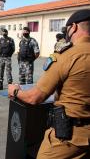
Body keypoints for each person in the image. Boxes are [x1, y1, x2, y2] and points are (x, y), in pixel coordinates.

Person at [8, 9, 90, 159]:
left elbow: (34, 98)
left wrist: (14, 91)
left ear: (74, 27)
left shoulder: (66, 56)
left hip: (69, 138)